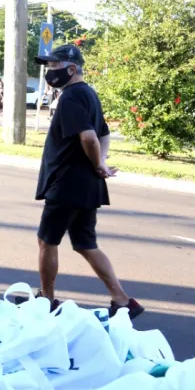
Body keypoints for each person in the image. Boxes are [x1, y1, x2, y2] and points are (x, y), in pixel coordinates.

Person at [23, 44, 144, 319]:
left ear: (71, 69)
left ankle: (46, 300)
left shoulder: (71, 97)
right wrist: (101, 162)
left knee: (46, 241)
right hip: (86, 185)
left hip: (67, 184)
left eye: (54, 66)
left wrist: (99, 162)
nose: (49, 72)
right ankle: (123, 301)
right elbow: (104, 133)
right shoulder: (89, 93)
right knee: (85, 243)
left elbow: (89, 137)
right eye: (48, 66)